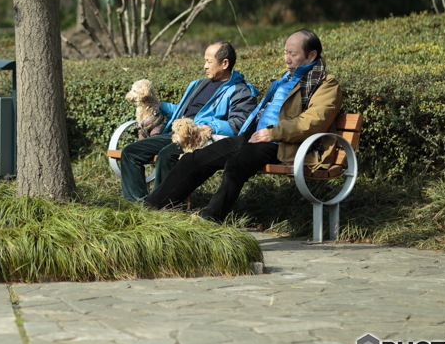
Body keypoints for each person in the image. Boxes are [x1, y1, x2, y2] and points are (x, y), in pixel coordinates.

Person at [144, 29, 342, 221]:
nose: (287, 59)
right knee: (194, 159)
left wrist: (273, 133)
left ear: (312, 55)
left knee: (236, 164)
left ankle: (209, 221)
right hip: (253, 136)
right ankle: (150, 209)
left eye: (293, 54)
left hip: (281, 143)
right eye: (285, 53)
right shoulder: (286, 78)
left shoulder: (325, 84)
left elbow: (313, 121)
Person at [120, 41, 258, 202]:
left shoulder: (241, 91)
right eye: (205, 61)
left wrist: (210, 127)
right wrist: (159, 105)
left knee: (167, 155)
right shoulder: (198, 84)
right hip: (176, 133)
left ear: (225, 63)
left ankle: (161, 206)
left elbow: (239, 124)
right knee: (130, 152)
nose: (205, 66)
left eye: (209, 61)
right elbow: (183, 112)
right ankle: (137, 203)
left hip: (198, 138)